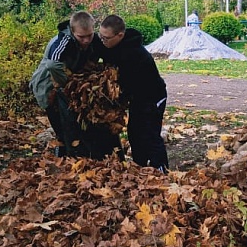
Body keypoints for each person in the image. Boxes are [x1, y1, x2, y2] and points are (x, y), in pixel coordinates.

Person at [30, 11, 121, 159]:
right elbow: (53, 65)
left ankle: (86, 155)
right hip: (48, 84)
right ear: (72, 31)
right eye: (81, 37)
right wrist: (69, 83)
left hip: (72, 81)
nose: (86, 40)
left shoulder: (95, 39)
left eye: (89, 35)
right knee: (63, 124)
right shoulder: (62, 40)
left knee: (82, 123)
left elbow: (107, 56)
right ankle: (66, 156)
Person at [96, 14, 169, 172]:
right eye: (100, 36)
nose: (102, 41)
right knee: (135, 134)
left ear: (120, 35)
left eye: (105, 38)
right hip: (137, 98)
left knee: (149, 134)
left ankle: (161, 170)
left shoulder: (135, 56)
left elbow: (125, 86)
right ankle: (139, 168)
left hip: (152, 97)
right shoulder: (113, 45)